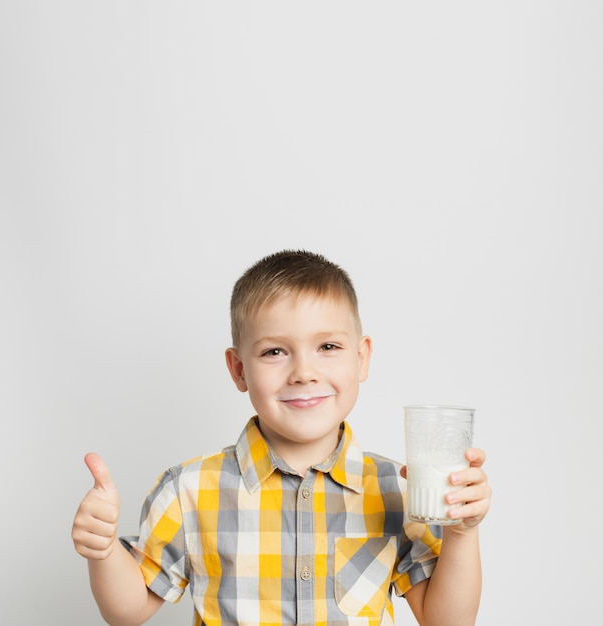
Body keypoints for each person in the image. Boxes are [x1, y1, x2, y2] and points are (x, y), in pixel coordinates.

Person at [72, 249, 491, 626]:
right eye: (275, 351)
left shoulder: (396, 489)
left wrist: (462, 533)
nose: (304, 372)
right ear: (238, 370)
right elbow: (127, 612)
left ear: (361, 357)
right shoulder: (189, 490)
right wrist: (104, 551)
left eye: (327, 346)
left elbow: (446, 622)